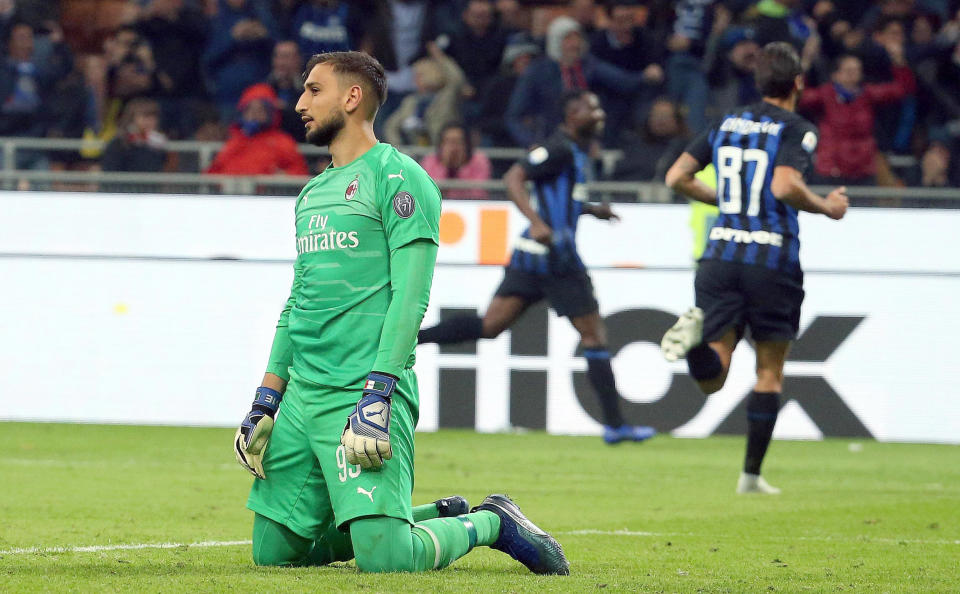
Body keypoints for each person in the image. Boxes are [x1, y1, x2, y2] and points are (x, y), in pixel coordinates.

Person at [233, 50, 569, 575]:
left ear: (353, 96)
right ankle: (433, 514)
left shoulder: (400, 179)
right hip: (302, 396)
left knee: (386, 558)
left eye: (314, 90)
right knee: (272, 554)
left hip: (361, 391)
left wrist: (378, 396)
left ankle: (491, 522)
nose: (300, 103)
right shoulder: (312, 193)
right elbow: (297, 303)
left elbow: (410, 300)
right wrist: (266, 401)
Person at [418, 90, 657, 445]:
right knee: (594, 337)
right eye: (591, 108)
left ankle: (413, 339)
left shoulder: (576, 152)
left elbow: (562, 200)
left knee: (490, 326)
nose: (599, 112)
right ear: (572, 114)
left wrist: (591, 210)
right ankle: (616, 425)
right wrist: (537, 221)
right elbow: (513, 178)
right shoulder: (557, 148)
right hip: (555, 258)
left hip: (532, 258)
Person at [662, 42, 849, 495]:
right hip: (771, 260)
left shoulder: (726, 121)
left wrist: (726, 198)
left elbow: (676, 177)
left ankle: (693, 349)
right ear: (798, 83)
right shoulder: (796, 127)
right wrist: (826, 206)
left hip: (721, 256)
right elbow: (785, 185)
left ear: (760, 81)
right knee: (769, 371)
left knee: (714, 375)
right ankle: (750, 476)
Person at [205, 82, 308, 175]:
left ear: (270, 113)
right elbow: (213, 172)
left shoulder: (283, 143)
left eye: (260, 109)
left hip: (267, 195)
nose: (254, 114)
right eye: (250, 109)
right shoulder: (232, 141)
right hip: (231, 195)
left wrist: (284, 177)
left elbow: (299, 172)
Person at [420, 121, 492, 199]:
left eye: (458, 142)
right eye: (448, 142)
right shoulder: (430, 161)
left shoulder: (479, 161)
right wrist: (445, 166)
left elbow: (478, 194)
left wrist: (460, 167)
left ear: (466, 144)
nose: (453, 148)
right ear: (440, 145)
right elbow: (428, 194)